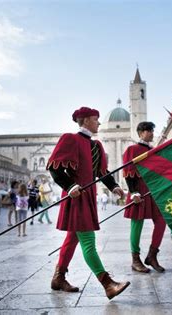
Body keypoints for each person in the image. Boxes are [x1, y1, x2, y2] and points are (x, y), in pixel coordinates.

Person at [46, 106, 130, 300]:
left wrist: (114, 186)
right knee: (88, 242)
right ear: (84, 121)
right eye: (95, 119)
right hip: (76, 197)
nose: (99, 122)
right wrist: (70, 186)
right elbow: (54, 168)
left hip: (89, 196)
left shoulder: (97, 145)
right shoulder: (70, 139)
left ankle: (58, 278)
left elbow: (101, 172)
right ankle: (108, 284)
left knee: (72, 238)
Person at [123, 121, 166, 273]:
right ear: (141, 133)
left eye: (153, 131)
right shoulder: (132, 149)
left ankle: (152, 256)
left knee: (161, 221)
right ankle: (135, 260)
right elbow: (128, 172)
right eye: (149, 131)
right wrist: (133, 192)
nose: (152, 133)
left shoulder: (153, 150)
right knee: (137, 224)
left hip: (153, 192)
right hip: (138, 192)